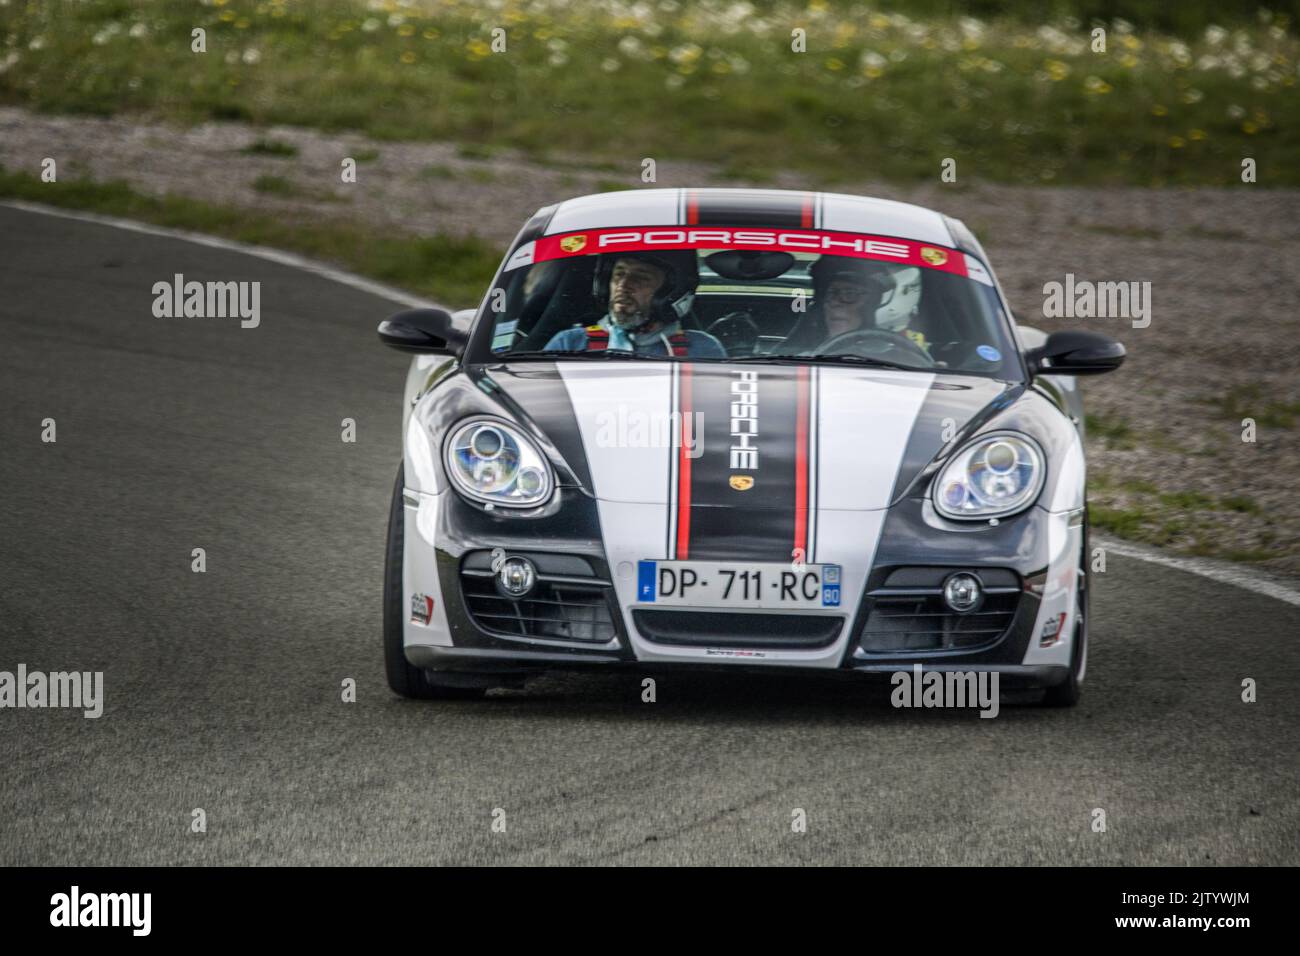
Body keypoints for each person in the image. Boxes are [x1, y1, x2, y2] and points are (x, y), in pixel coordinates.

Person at [543, 252, 726, 358]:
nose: (623, 285)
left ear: (670, 293)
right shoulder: (569, 344)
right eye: (619, 274)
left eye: (641, 277)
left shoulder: (702, 349)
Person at [780, 257, 927, 354]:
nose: (834, 303)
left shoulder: (906, 363)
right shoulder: (798, 359)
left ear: (877, 303)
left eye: (850, 294)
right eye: (831, 293)